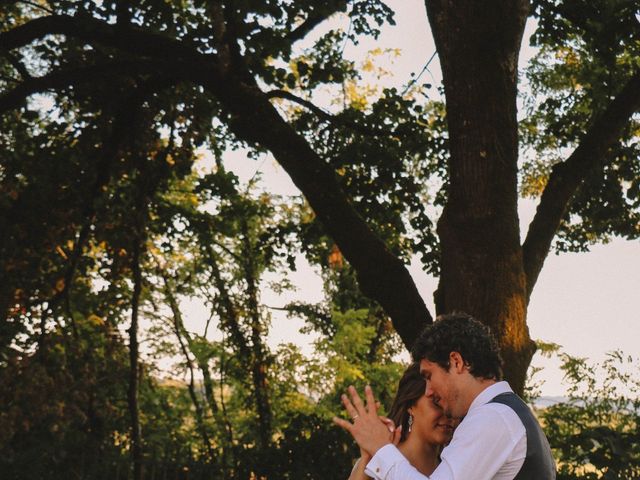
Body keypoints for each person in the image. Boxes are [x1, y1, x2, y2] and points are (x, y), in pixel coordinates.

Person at [334, 312, 556, 480]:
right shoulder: (508, 414)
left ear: (456, 362)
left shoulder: (493, 417)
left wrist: (381, 449)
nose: (429, 389)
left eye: (429, 376)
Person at [346, 363, 456, 479]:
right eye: (436, 402)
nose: (448, 413)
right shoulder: (377, 462)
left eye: (454, 403)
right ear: (411, 405)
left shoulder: (455, 467)